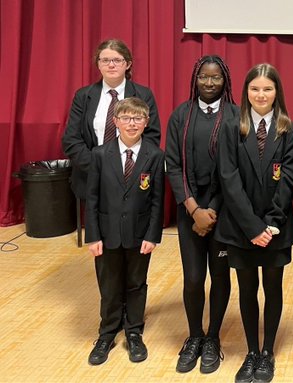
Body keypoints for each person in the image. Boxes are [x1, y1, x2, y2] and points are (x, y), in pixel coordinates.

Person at [214, 63, 293, 383]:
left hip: (276, 227)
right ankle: (251, 352)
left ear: (277, 92)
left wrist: (271, 224)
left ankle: (268, 352)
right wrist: (253, 227)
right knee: (247, 289)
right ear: (245, 92)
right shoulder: (230, 127)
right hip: (241, 229)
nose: (260, 95)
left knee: (272, 288)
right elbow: (228, 179)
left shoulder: (290, 129)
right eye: (254, 89)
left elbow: (290, 180)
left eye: (267, 89)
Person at [165, 55, 238, 374]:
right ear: (195, 79)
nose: (210, 83)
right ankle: (194, 335)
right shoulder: (181, 115)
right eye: (204, 77)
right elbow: (173, 165)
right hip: (190, 213)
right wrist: (193, 209)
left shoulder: (236, 116)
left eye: (216, 78)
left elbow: (235, 171)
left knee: (220, 276)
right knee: (194, 278)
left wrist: (213, 211)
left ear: (226, 81)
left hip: (223, 214)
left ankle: (213, 337)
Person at [84, 97, 165, 366]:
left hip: (139, 235)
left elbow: (157, 199)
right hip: (106, 235)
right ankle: (106, 333)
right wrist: (93, 235)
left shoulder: (154, 155)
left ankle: (134, 331)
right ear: (115, 122)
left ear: (146, 122)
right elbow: (92, 198)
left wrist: (152, 235)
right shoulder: (99, 155)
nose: (132, 123)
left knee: (136, 283)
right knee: (109, 285)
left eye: (138, 118)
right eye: (126, 118)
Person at [62, 38, 161, 204]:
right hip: (92, 175)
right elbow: (71, 140)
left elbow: (152, 137)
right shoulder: (83, 96)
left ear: (127, 64)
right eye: (105, 60)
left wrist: (127, 168)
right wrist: (99, 167)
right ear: (98, 64)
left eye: (117, 60)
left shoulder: (144, 95)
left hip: (131, 175)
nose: (111, 65)